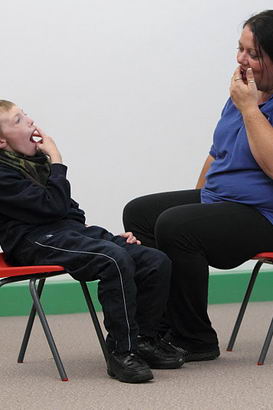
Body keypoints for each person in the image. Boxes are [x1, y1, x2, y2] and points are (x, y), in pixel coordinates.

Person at [123, 10, 273, 362]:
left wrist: (250, 109)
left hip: (264, 214)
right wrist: (199, 200)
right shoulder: (244, 91)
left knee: (177, 225)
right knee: (141, 213)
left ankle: (195, 338)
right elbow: (216, 153)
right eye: (240, 49)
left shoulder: (246, 99)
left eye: (253, 53)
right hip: (225, 200)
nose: (241, 59)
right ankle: (158, 327)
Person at [0, 100, 185, 384]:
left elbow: (70, 210)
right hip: (32, 241)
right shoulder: (4, 173)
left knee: (153, 259)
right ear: (1, 141)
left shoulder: (37, 162)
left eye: (25, 115)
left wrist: (103, 236)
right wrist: (58, 161)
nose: (30, 122)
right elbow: (50, 207)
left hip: (67, 231)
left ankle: (144, 339)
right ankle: (122, 352)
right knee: (112, 259)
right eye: (17, 121)